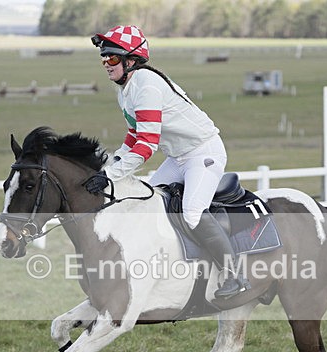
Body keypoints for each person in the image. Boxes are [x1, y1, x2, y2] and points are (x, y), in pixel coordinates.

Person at [88, 25, 247, 299]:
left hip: (202, 153)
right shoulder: (125, 89)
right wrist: (108, 169)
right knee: (147, 204)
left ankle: (234, 276)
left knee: (192, 213)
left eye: (112, 58)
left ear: (131, 59)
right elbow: (133, 137)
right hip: (178, 156)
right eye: (103, 58)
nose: (106, 63)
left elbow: (147, 146)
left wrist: (111, 176)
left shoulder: (146, 85)